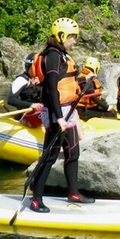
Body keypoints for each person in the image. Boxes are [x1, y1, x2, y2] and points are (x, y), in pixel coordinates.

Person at [28, 17, 94, 212]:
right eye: (72, 37)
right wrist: (58, 117)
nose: (74, 41)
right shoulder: (52, 56)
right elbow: (51, 88)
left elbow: (67, 82)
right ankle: (36, 199)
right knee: (50, 156)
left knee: (73, 153)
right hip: (58, 112)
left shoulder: (62, 55)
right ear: (62, 36)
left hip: (68, 110)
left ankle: (73, 193)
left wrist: (84, 79)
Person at [6, 53, 44, 128]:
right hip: (26, 116)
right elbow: (11, 99)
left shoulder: (42, 80)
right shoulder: (21, 80)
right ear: (29, 67)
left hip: (41, 115)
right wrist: (31, 105)